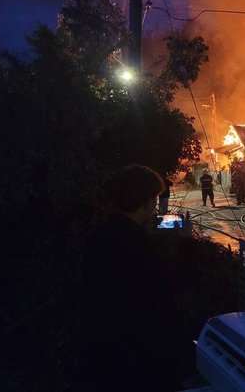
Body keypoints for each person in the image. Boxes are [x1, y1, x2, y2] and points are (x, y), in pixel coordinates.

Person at [80, 165, 184, 391]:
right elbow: (163, 301)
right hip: (139, 356)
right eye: (155, 199)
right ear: (146, 203)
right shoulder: (141, 248)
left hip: (106, 350)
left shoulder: (100, 235)